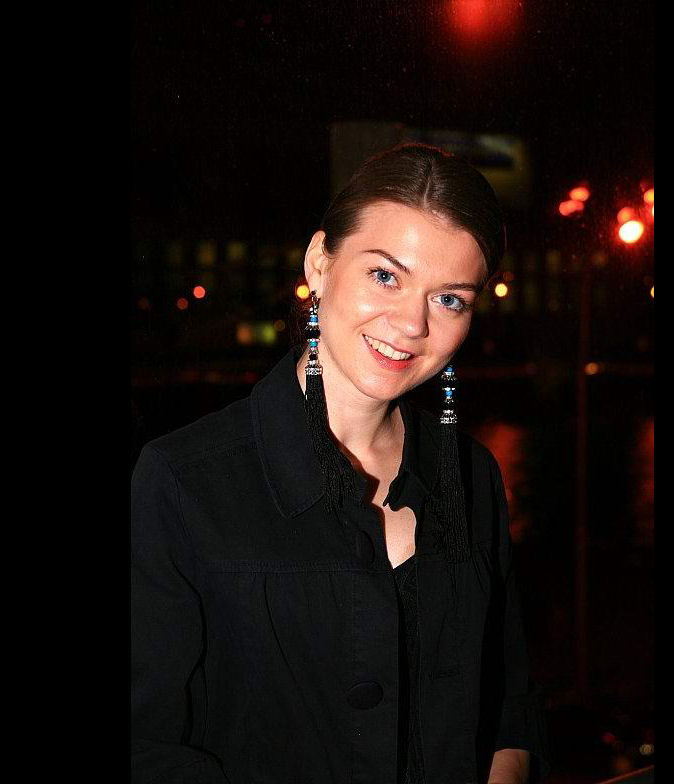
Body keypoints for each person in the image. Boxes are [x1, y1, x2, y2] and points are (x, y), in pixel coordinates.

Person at [131, 143, 550, 784]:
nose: (411, 324)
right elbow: (148, 745)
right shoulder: (183, 482)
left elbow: (509, 705)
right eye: (386, 276)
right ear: (320, 263)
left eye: (449, 299)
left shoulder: (471, 475)